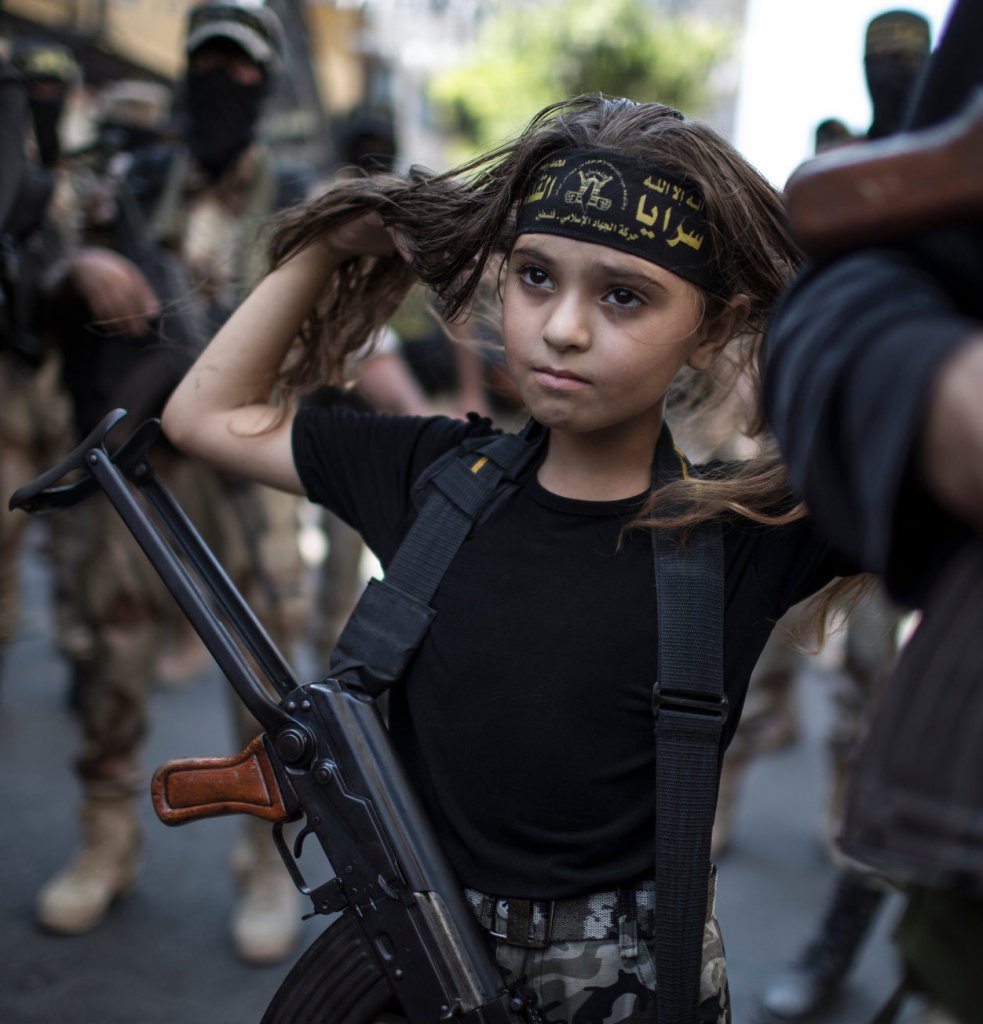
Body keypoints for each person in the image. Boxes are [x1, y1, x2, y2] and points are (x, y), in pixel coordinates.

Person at [160, 94, 862, 1023]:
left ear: (709, 325)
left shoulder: (742, 532)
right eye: (536, 277)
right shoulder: (430, 476)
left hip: (623, 991)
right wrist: (329, 245)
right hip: (415, 936)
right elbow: (203, 417)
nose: (562, 328)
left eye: (623, 294)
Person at [33, 2, 311, 966]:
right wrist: (85, 263)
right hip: (131, 463)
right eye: (208, 65)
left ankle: (265, 858)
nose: (220, 84)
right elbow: (32, 264)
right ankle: (107, 840)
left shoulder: (297, 198)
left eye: (241, 71)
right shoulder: (127, 177)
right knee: (108, 652)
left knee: (263, 675)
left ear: (265, 83)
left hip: (245, 465)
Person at [763, 0, 981, 1018]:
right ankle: (833, 939)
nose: (892, 71)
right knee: (879, 707)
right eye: (880, 60)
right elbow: (833, 304)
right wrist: (930, 394)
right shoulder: (887, 162)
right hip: (917, 539)